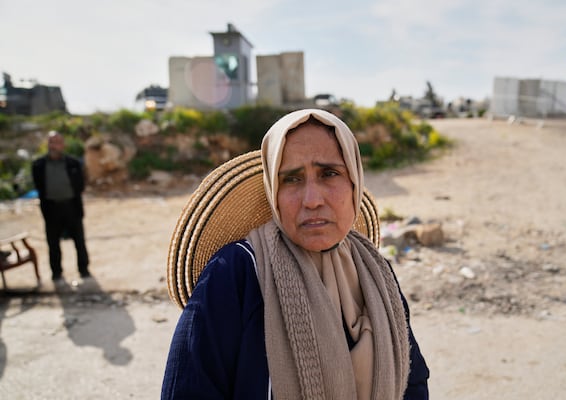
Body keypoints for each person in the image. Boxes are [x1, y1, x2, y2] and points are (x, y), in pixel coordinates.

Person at [162, 109, 429, 399]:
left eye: (329, 173)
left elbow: (412, 383)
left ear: (355, 181)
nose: (312, 200)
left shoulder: (376, 273)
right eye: (291, 179)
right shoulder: (236, 272)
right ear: (273, 191)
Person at [32, 131, 90, 282]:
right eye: (51, 142)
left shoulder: (73, 163)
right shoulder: (38, 165)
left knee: (79, 241)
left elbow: (81, 184)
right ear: (47, 144)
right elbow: (39, 186)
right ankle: (56, 273)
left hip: (72, 207)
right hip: (51, 209)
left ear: (63, 145)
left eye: (57, 142)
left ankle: (84, 270)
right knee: (53, 244)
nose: (54, 145)